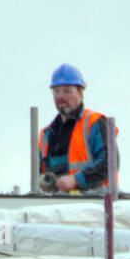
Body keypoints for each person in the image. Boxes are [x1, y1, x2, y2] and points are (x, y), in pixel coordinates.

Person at [38, 63, 116, 194]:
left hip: (96, 207)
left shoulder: (95, 123)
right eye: (57, 91)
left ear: (80, 92)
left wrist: (76, 180)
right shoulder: (47, 134)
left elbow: (109, 165)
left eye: (67, 90)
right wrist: (45, 182)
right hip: (61, 209)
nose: (61, 96)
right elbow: (41, 174)